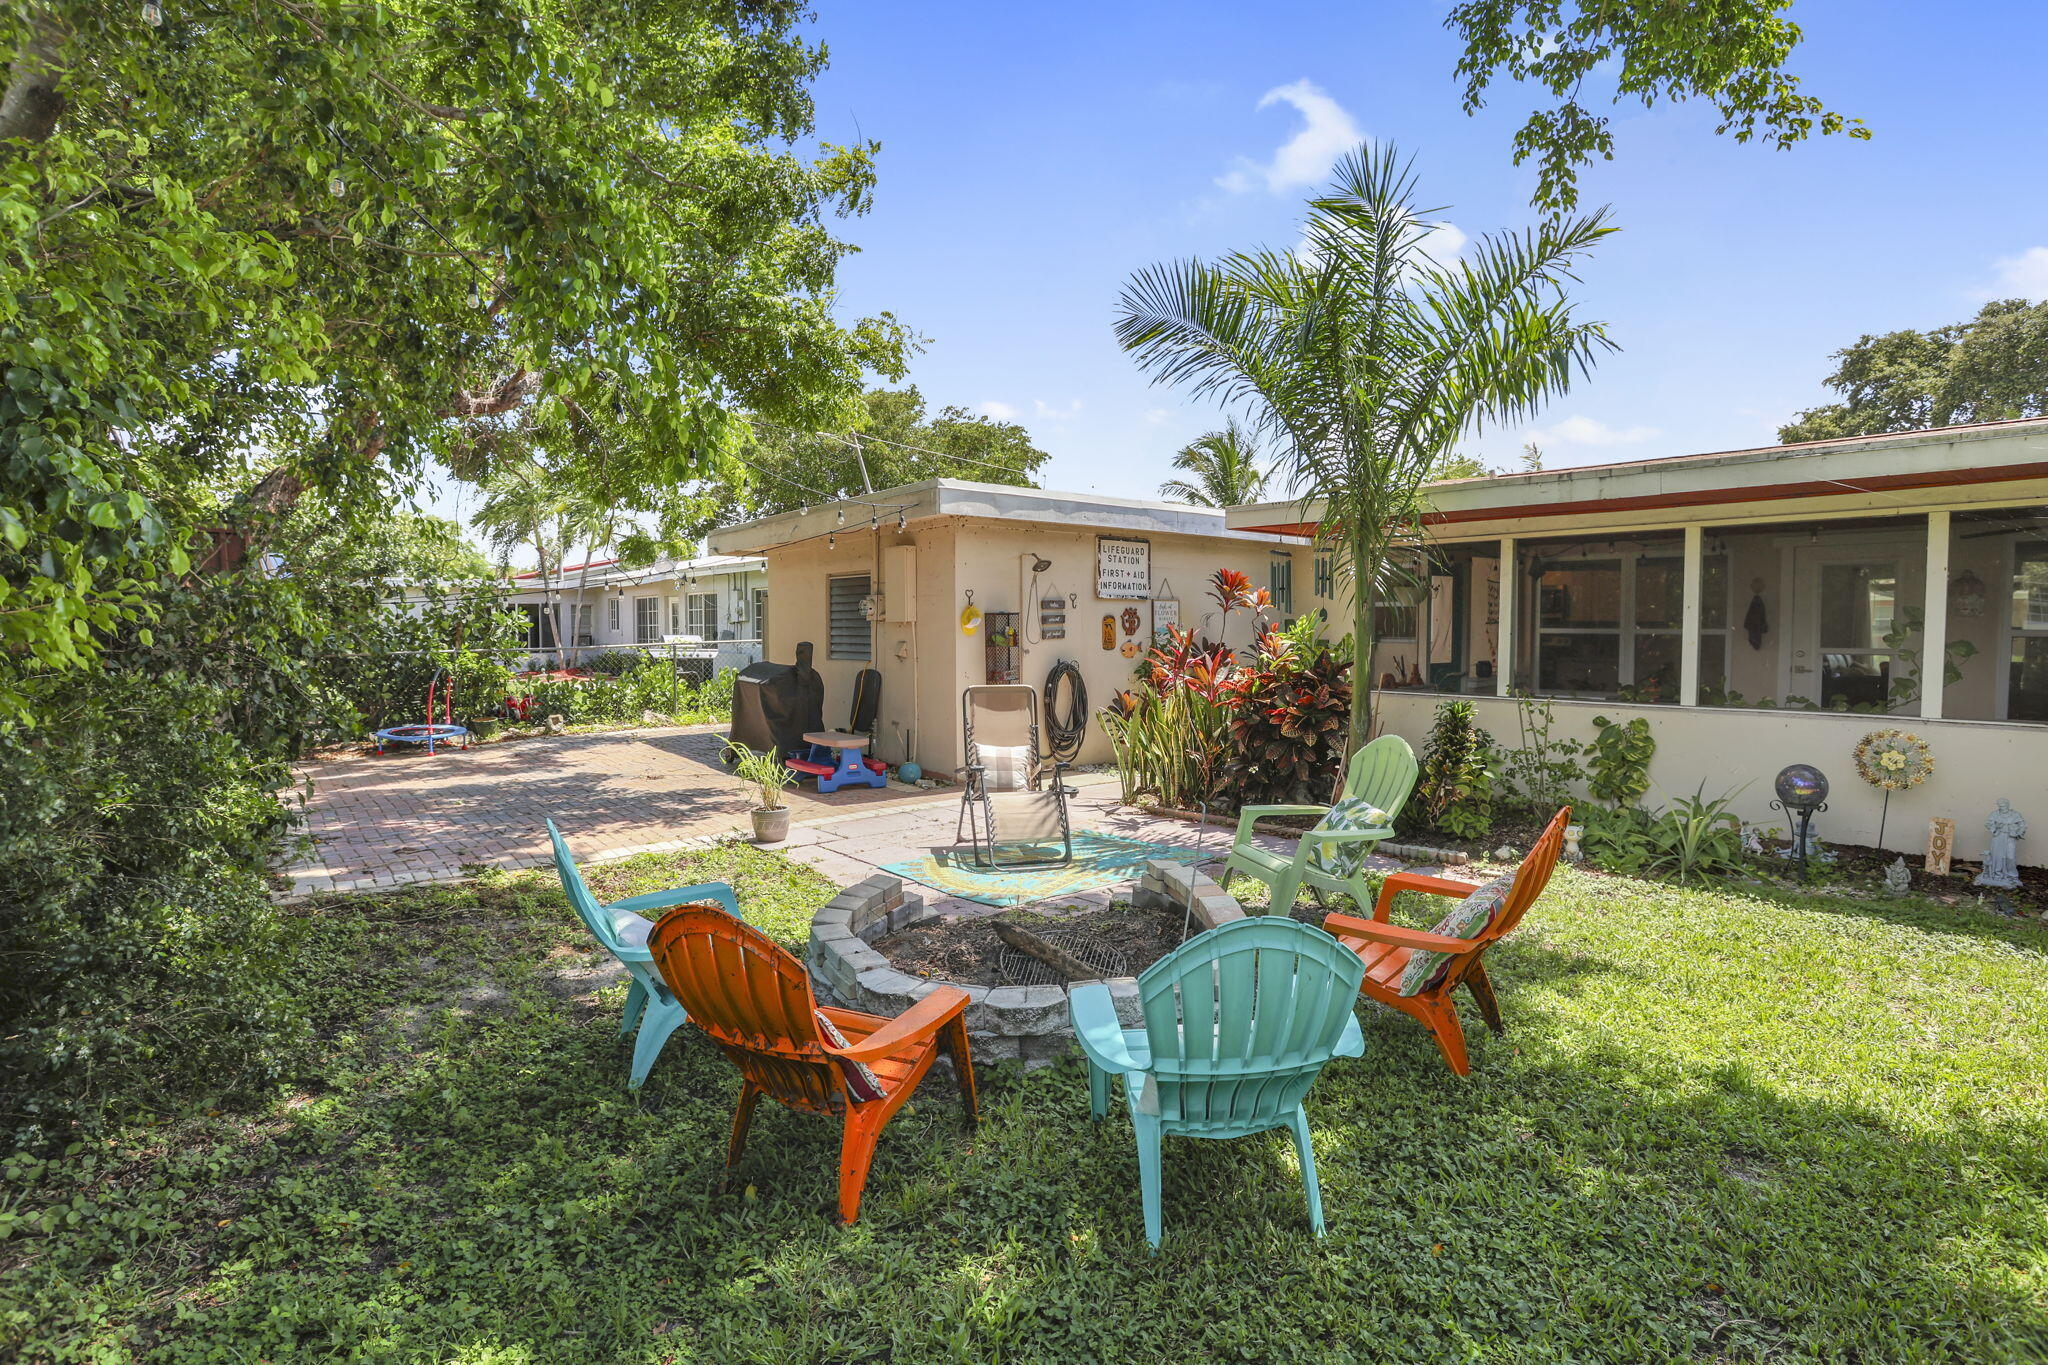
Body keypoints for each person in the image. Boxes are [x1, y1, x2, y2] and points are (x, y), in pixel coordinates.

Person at [1975, 798, 2027, 890]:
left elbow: (2022, 825)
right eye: (1999, 805)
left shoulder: (2015, 814)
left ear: (2008, 805)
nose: (2001, 807)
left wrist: (2018, 833)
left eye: (2003, 805)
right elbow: (1988, 824)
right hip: (1998, 837)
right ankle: (1997, 874)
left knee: (2010, 857)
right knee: (1997, 856)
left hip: (2010, 837)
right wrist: (1995, 827)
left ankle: (2012, 876)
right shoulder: (1995, 814)